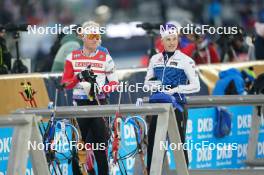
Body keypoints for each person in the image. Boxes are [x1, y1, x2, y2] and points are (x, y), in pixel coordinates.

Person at [61, 21, 118, 175]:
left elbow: (114, 82)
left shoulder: (104, 56)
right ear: (83, 37)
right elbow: (65, 84)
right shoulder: (71, 56)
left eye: (98, 36)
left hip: (99, 103)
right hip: (80, 105)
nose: (95, 39)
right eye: (92, 36)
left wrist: (101, 89)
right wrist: (78, 77)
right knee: (78, 148)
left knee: (100, 148)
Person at [144, 23, 200, 173]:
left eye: (174, 39)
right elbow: (146, 84)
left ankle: (184, 172)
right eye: (168, 39)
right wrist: (156, 86)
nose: (171, 42)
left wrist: (177, 89)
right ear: (162, 41)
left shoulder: (186, 60)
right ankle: (151, 172)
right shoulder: (155, 59)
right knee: (153, 143)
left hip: (178, 105)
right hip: (159, 107)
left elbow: (196, 86)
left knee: (179, 143)